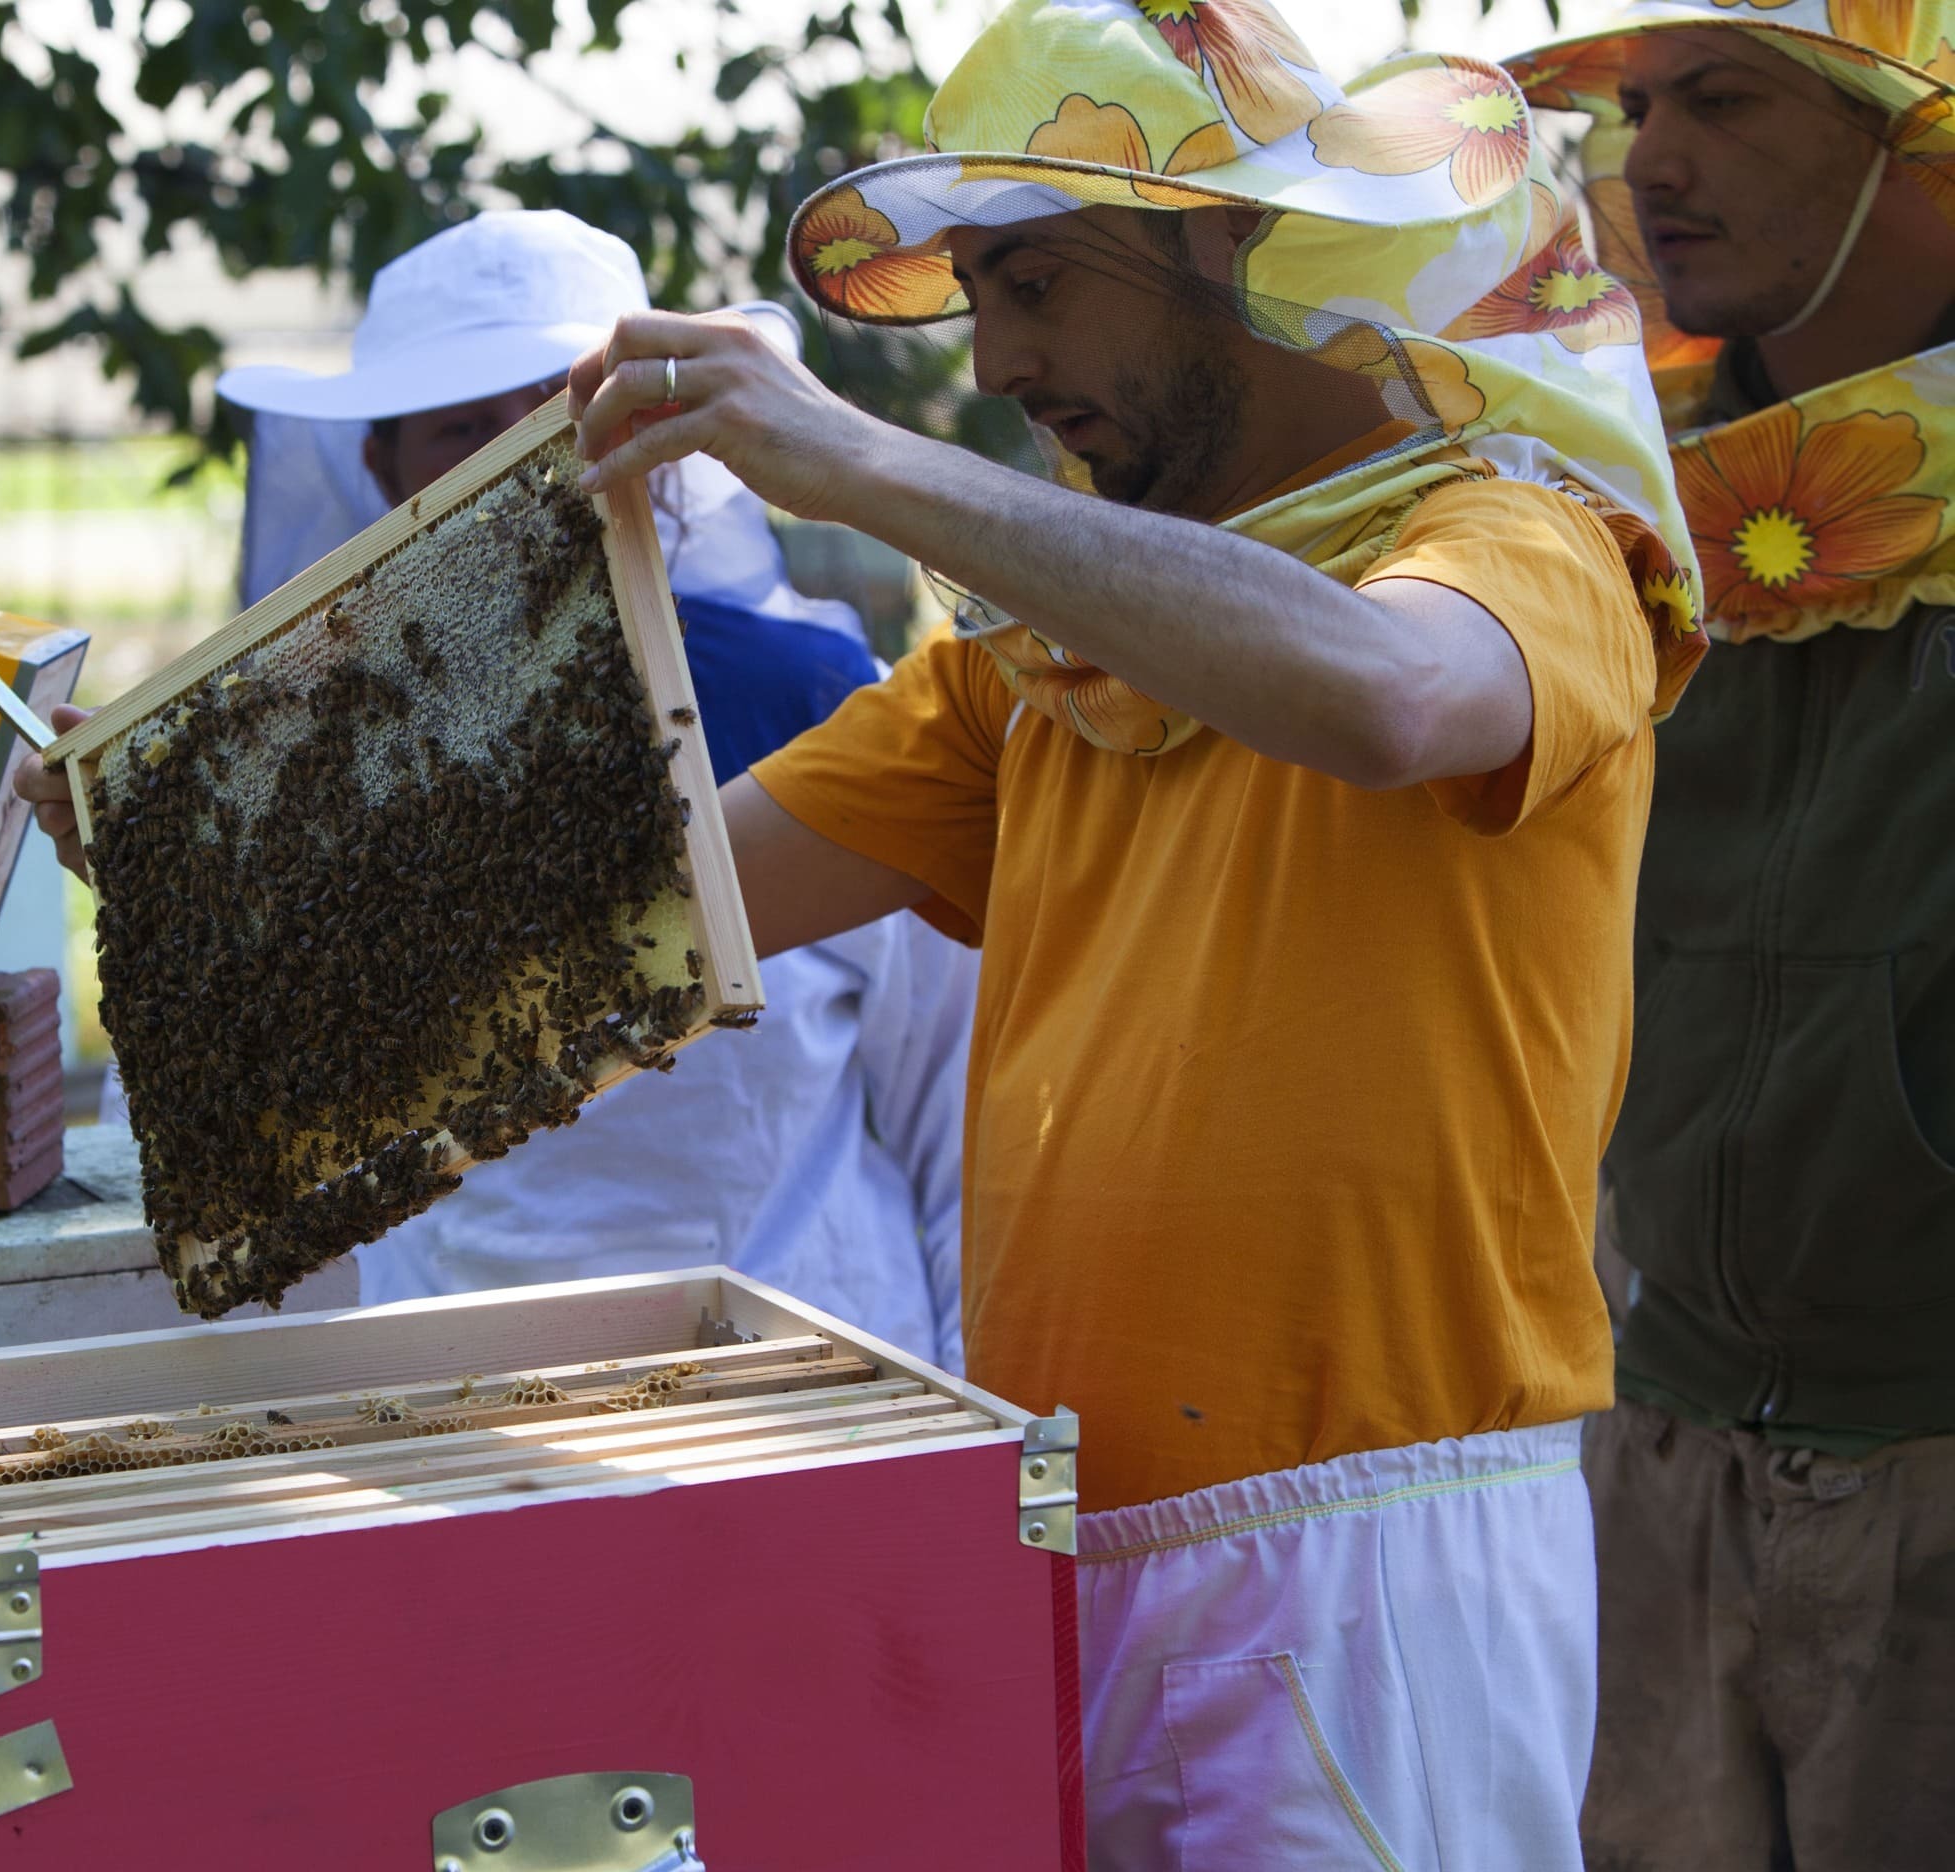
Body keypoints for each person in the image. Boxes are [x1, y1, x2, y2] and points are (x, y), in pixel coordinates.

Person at [565, 0, 1705, 1860]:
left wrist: (872, 468)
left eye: (1031, 282)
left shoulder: (1523, 536)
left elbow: (1390, 697)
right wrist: (210, 857)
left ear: (1212, 237)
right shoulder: (1032, 672)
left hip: (1372, 1557)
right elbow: (634, 912)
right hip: (1049, 1539)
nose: (998, 358)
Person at [30, 209, 978, 1369]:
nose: (526, 458)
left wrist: (981, 1437)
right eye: (463, 430)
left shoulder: (822, 698)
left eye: (561, 410)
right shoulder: (300, 764)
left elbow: (961, 1111)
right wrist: (179, 888)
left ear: (660, 433)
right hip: (460, 1390)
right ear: (381, 468)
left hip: (813, 1377)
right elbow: (231, 1141)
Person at [1506, 6, 1955, 1864]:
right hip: (1658, 1443)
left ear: (1909, 140)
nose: (1647, 163)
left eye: (1722, 98)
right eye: (1631, 111)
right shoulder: (1609, 484)